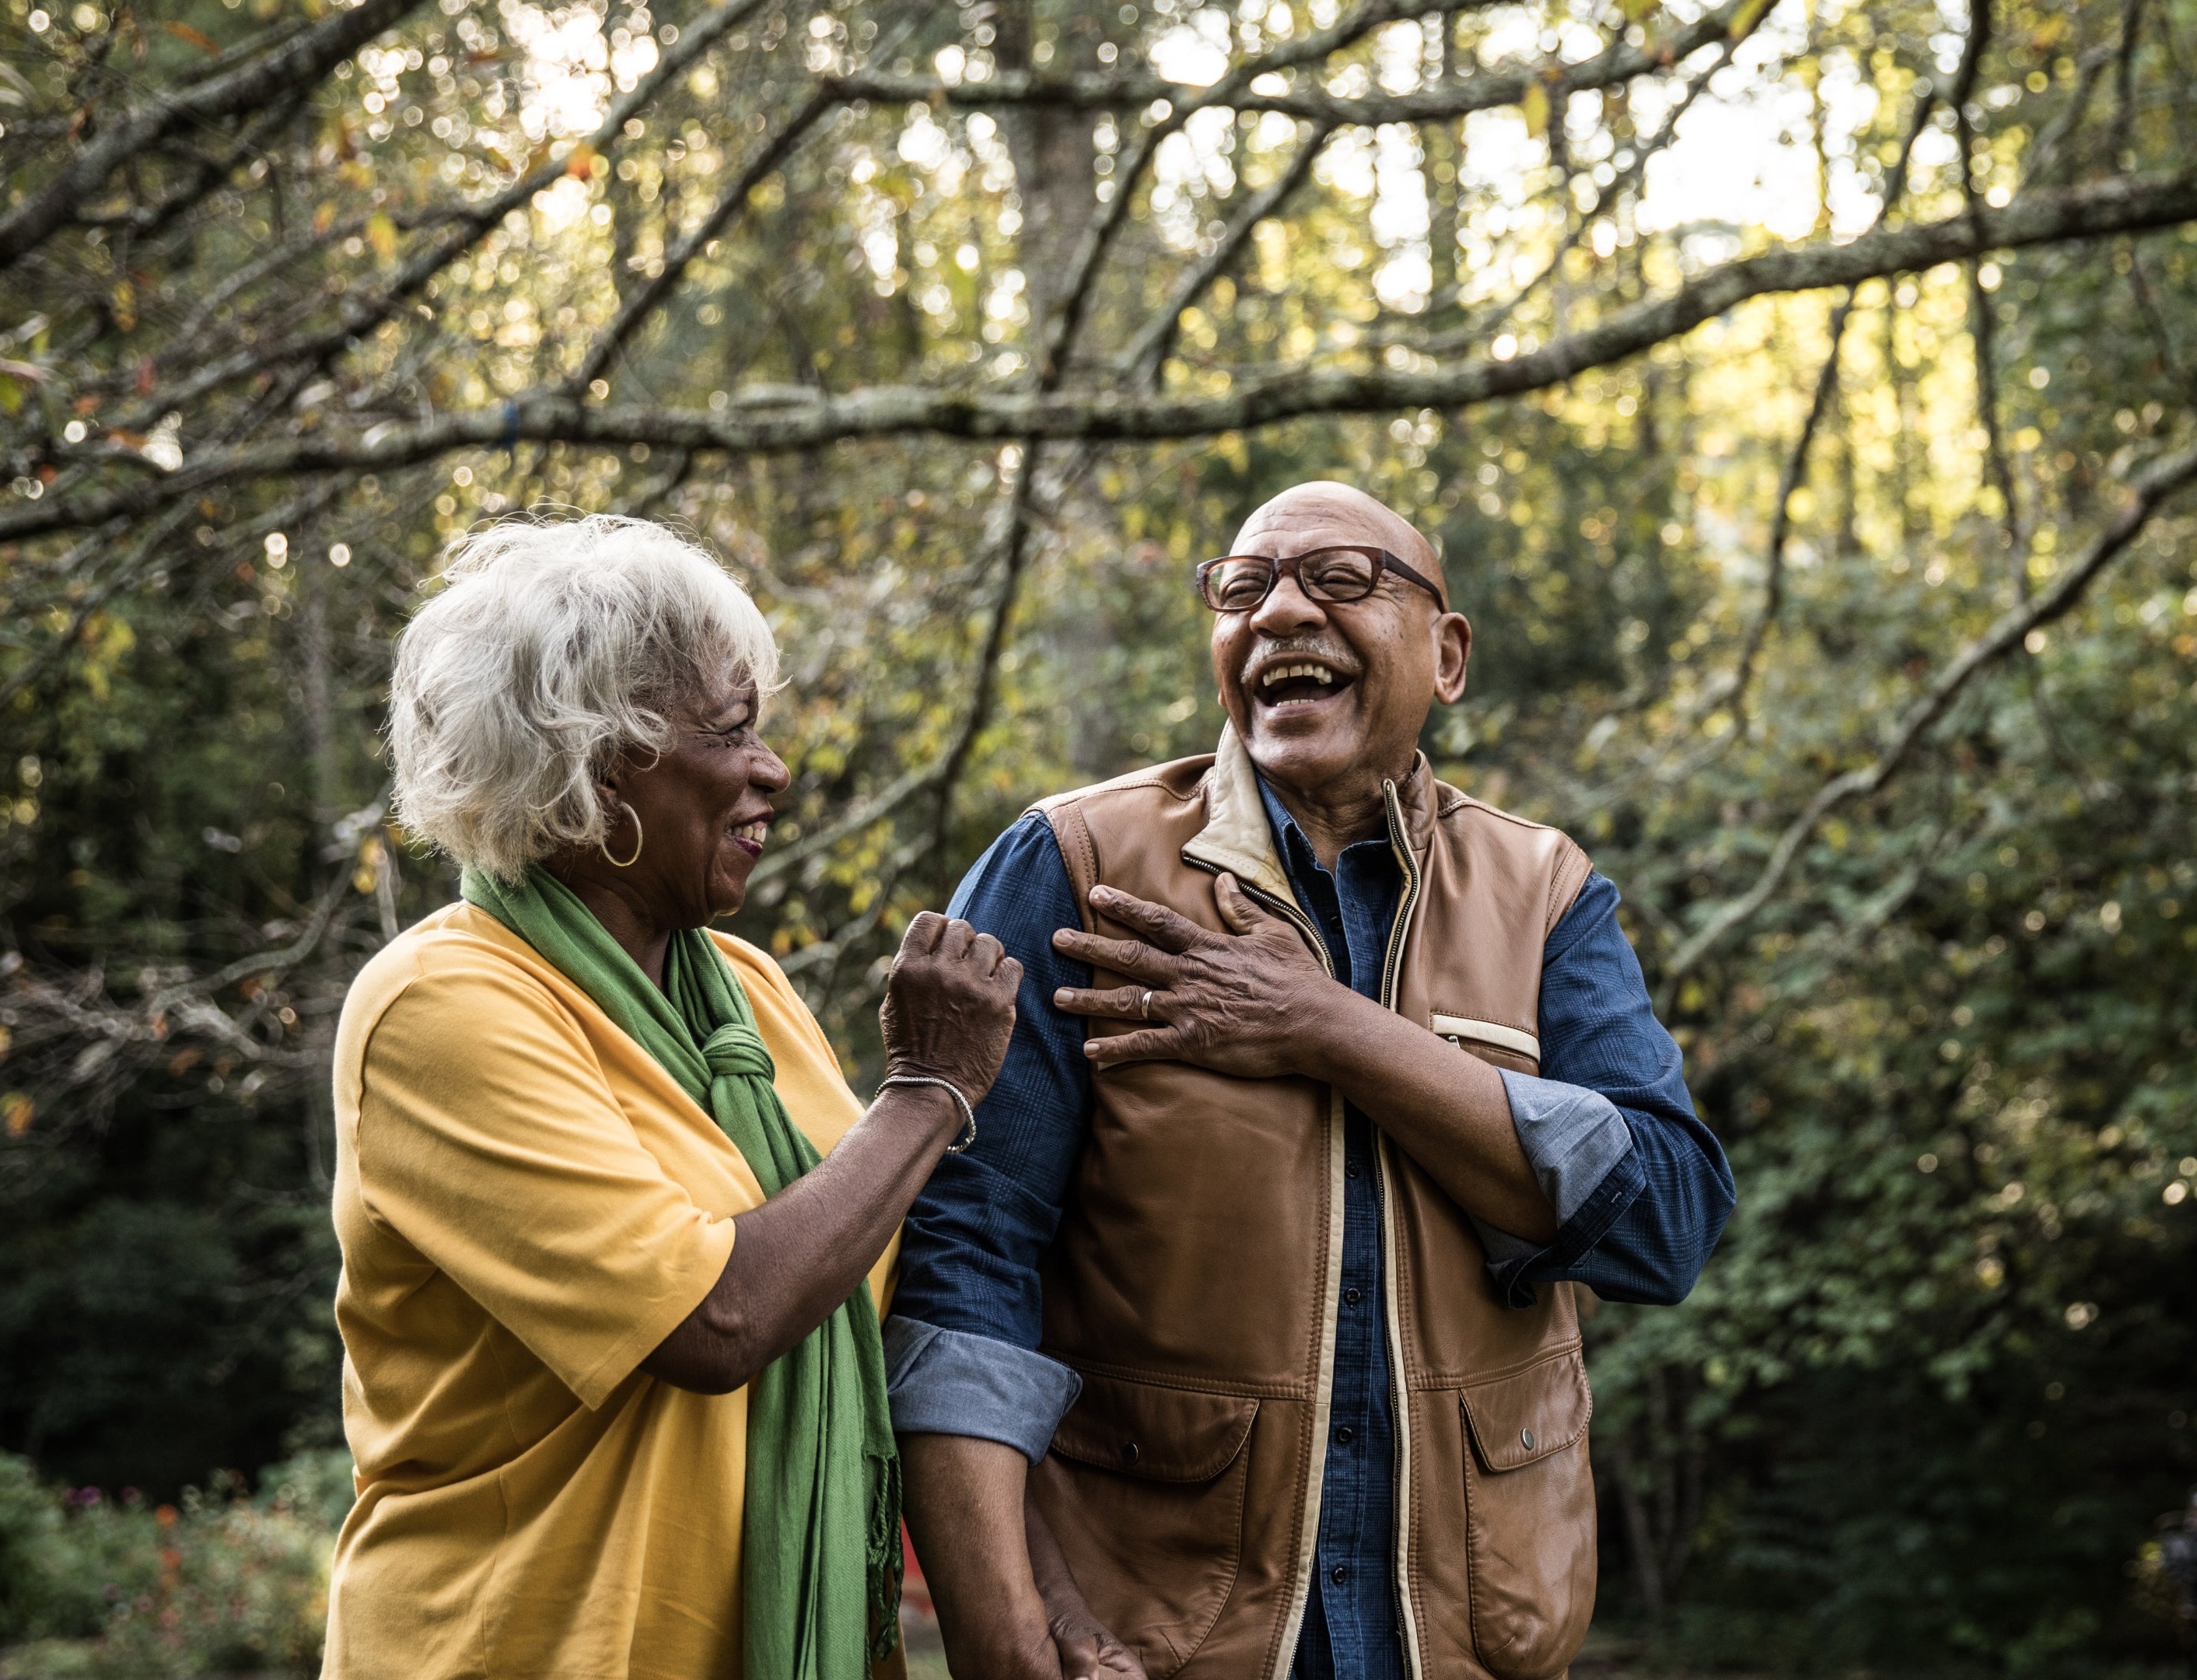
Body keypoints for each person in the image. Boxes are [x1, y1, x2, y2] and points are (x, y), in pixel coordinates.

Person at [887, 481, 1738, 1680]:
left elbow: (1666, 1223)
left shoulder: (1543, 891)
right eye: (1243, 590)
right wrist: (1009, 1627)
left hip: (1469, 1637)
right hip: (1154, 1639)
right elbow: (965, 1261)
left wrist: (1328, 1028)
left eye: (1342, 580)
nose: (1282, 611)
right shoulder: (1075, 867)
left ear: (1447, 655)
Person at [324, 516, 1082, 1680]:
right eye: (730, 732)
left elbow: (887, 1309)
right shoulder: (442, 1007)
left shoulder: (747, 996)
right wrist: (927, 1094)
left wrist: (1048, 1604)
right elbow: (714, 1321)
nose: (772, 769)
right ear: (586, 765)